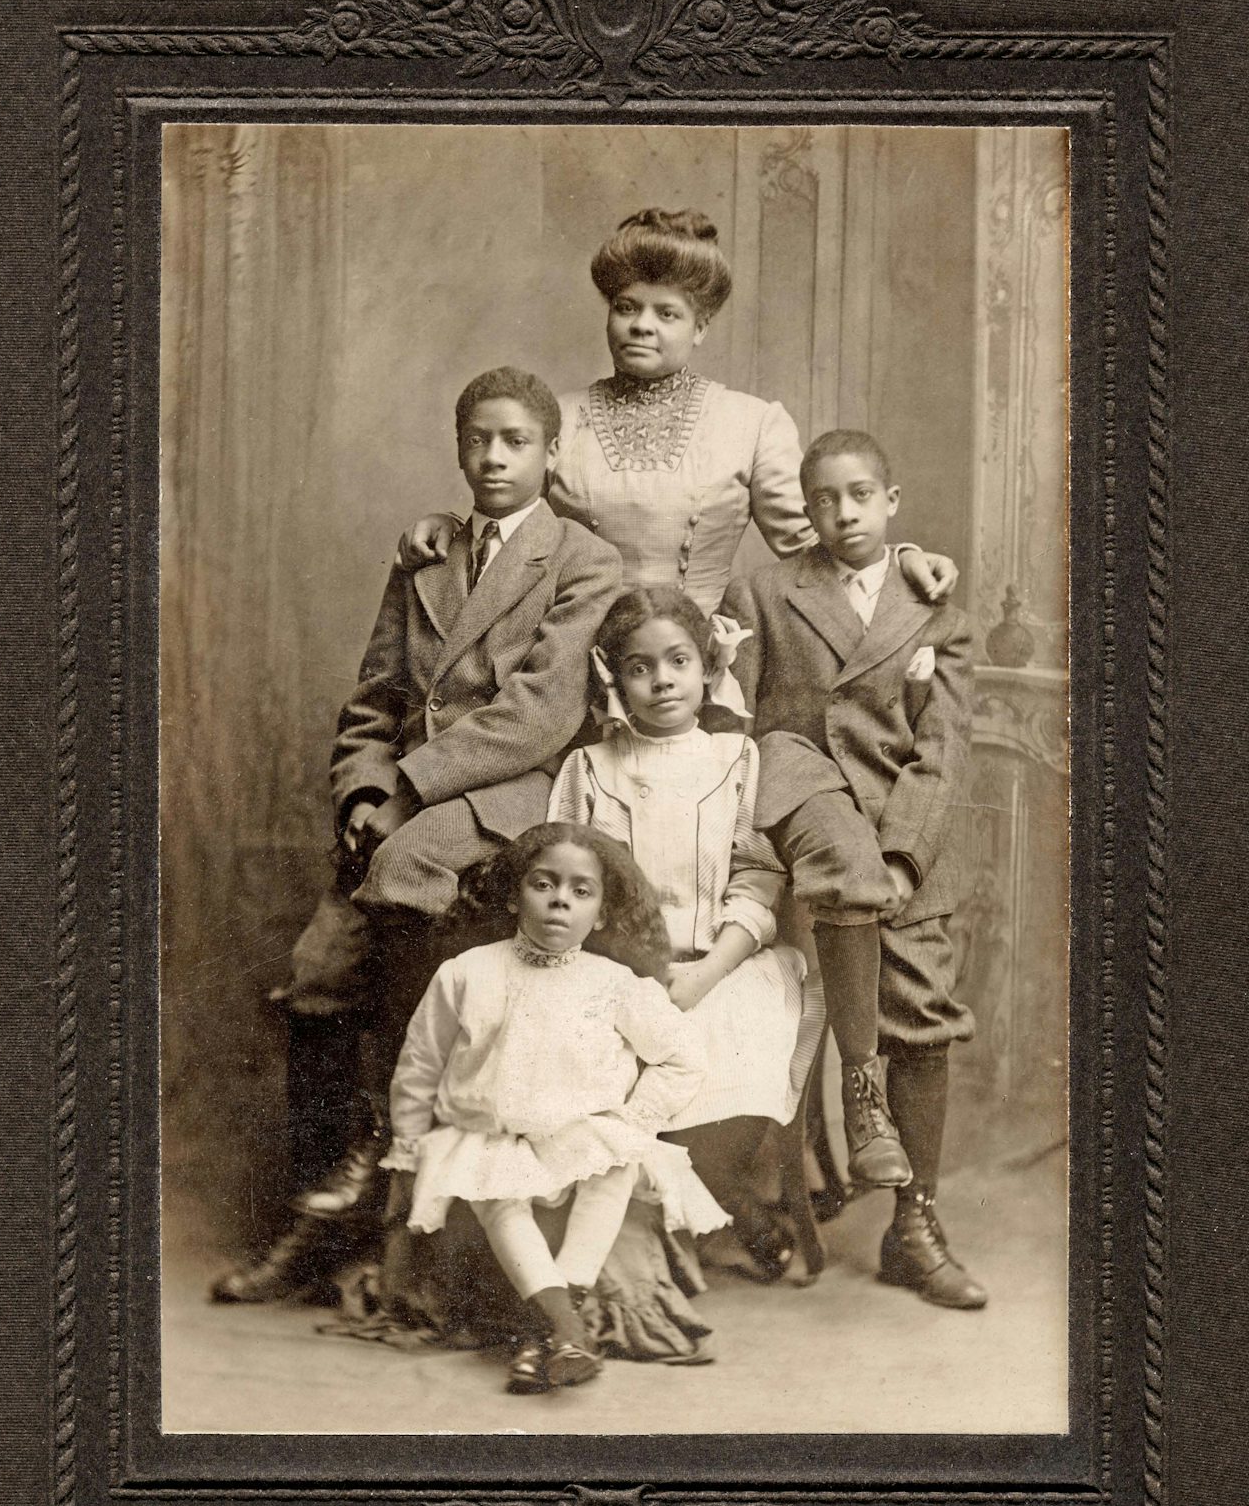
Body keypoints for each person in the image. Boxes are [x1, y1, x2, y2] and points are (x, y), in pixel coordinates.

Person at [212, 367, 623, 1304]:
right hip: (405, 797)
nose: (493, 457)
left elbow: (538, 713)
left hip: (508, 789)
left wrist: (407, 787)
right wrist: (363, 786)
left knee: (403, 865)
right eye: (477, 439)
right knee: (317, 968)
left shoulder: (581, 560)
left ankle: (385, 1137)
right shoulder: (427, 556)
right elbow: (377, 696)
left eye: (516, 440)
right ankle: (318, 1208)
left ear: (551, 454)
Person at [723, 430, 987, 1310]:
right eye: (824, 499)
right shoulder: (764, 588)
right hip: (802, 816)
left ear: (892, 501)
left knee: (924, 1011)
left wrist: (907, 854)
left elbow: (941, 751)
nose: (844, 513)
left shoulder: (935, 605)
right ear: (804, 510)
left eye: (861, 496)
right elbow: (740, 717)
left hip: (901, 830)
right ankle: (776, 1181)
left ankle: (915, 1219)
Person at [399, 207, 959, 619]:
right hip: (565, 657)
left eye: (667, 313)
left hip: (697, 666)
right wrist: (451, 526)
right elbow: (508, 525)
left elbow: (815, 547)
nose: (642, 325)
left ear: (701, 327)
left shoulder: (751, 423)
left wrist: (899, 558)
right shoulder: (556, 419)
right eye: (626, 308)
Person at [381, 823, 728, 1394]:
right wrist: (410, 1147)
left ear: (601, 913)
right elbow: (420, 1066)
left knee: (616, 1166)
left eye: (581, 891)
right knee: (497, 1195)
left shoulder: (615, 984)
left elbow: (682, 1058)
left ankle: (544, 1334)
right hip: (491, 1136)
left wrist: (634, 1122)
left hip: (579, 1136)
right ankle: (566, 1329)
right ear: (515, 895)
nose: (561, 899)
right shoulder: (466, 973)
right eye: (544, 884)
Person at [547, 585, 823, 1278]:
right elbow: (569, 878)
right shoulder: (589, 768)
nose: (661, 680)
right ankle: (695, 1216)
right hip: (618, 967)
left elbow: (758, 880)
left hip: (722, 961)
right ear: (615, 677)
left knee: (732, 1040)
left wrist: (701, 973)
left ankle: (715, 1193)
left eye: (677, 661)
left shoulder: (737, 761)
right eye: (640, 666)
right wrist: (631, 970)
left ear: (707, 668)